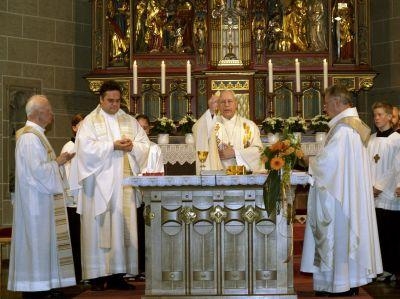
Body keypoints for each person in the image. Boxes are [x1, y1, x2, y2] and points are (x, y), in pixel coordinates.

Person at [301, 85, 382, 296]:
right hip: (345, 192)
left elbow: (330, 163)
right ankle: (348, 282)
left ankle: (340, 284)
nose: (325, 108)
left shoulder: (345, 130)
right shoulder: (349, 126)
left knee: (338, 237)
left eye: (327, 104)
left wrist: (306, 159)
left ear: (338, 103)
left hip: (339, 199)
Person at [69, 80, 150, 291]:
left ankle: (117, 275)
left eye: (117, 101)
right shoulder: (89, 122)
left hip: (122, 185)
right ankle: (96, 277)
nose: (114, 105)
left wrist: (132, 147)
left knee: (121, 228)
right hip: (97, 187)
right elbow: (85, 149)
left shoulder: (129, 121)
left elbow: (144, 145)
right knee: (98, 229)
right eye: (110, 101)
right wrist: (111, 145)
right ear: (101, 99)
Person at [8, 95, 76, 298]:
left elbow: (39, 170)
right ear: (37, 114)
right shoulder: (30, 138)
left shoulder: (35, 135)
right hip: (35, 205)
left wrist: (57, 163)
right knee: (37, 246)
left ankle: (45, 286)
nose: (52, 114)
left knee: (45, 246)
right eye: (49, 111)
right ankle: (35, 291)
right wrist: (59, 161)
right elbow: (38, 172)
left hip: (41, 202)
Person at [367, 102, 400, 282]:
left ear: (389, 117)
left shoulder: (397, 139)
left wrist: (379, 187)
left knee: (390, 232)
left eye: (380, 114)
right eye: (375, 115)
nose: (377, 118)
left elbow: (396, 167)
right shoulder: (371, 139)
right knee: (376, 232)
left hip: (388, 192)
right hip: (371, 192)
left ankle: (390, 269)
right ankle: (377, 268)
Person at [135, 114, 164, 280]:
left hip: (149, 194)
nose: (142, 131)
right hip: (133, 194)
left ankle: (147, 266)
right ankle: (135, 266)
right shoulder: (129, 148)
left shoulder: (155, 148)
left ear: (149, 129)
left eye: (144, 128)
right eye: (138, 128)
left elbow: (159, 171)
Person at [208, 90, 264, 173]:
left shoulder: (250, 126)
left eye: (230, 101)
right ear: (218, 106)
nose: (226, 105)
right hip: (218, 175)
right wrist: (211, 111)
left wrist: (235, 153)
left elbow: (259, 151)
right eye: (223, 102)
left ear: (236, 104)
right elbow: (198, 133)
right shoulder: (210, 125)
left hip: (244, 177)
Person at [60, 113, 85, 283]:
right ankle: (76, 275)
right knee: (76, 240)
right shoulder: (69, 146)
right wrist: (73, 195)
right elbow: (67, 175)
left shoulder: (85, 146)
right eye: (81, 126)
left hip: (84, 200)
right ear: (74, 128)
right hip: (73, 201)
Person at [192, 92, 219, 173]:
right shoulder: (210, 116)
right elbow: (197, 127)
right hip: (214, 158)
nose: (226, 104)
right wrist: (211, 111)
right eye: (218, 102)